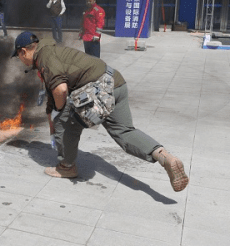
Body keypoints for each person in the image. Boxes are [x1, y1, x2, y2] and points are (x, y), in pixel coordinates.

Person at [12, 31, 189, 192]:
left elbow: (60, 90)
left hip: (98, 91)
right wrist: (52, 115)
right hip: (116, 83)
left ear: (23, 51)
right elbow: (53, 95)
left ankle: (67, 167)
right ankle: (165, 158)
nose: (20, 60)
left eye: (18, 56)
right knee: (125, 131)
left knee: (65, 123)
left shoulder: (45, 57)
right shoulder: (51, 52)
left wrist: (59, 115)